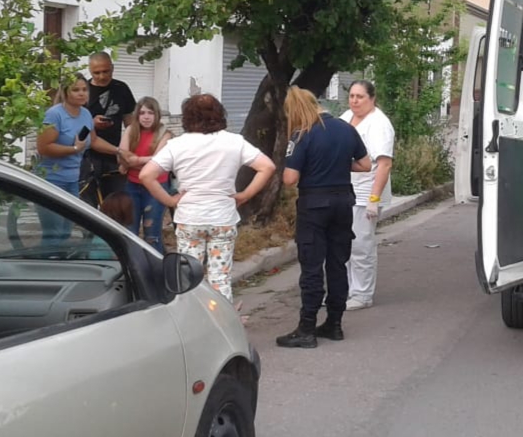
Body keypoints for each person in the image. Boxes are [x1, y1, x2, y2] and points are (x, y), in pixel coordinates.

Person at [140, 94, 275, 303]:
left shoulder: (177, 145)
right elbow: (267, 167)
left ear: (187, 116)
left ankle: (192, 325)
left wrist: (170, 201)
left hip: (189, 218)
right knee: (220, 278)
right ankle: (223, 324)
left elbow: (146, 175)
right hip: (223, 218)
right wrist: (245, 195)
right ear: (219, 114)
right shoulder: (234, 142)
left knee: (189, 279)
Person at [276, 87, 372, 349]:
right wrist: (340, 164)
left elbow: (290, 179)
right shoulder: (346, 128)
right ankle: (334, 323)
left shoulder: (301, 134)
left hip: (314, 205)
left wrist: (308, 166)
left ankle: (306, 327)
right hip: (343, 202)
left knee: (312, 266)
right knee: (338, 263)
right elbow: (366, 165)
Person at [339, 80, 395, 311]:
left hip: (365, 194)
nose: (354, 101)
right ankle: (345, 290)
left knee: (360, 245)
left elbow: (383, 164)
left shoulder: (379, 124)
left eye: (360, 97)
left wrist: (374, 199)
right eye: (352, 96)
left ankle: (362, 294)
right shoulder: (345, 118)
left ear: (372, 98)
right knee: (342, 245)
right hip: (344, 191)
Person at [34, 74, 93, 244]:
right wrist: (74, 149)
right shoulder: (55, 114)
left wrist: (120, 151)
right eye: (76, 90)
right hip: (52, 180)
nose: (81, 94)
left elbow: (93, 140)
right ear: (66, 92)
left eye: (84, 90)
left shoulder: (86, 114)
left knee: (66, 232)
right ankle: (47, 266)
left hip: (72, 180)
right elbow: (44, 147)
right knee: (53, 234)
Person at [80, 52, 137, 208]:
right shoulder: (83, 91)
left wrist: (131, 145)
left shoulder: (121, 88)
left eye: (106, 71)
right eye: (96, 73)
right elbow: (76, 127)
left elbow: (129, 120)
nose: (102, 76)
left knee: (115, 203)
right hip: (89, 156)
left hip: (114, 154)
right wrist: (92, 123)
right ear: (90, 71)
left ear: (112, 68)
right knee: (89, 204)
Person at [119, 96, 173, 252]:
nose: (146, 117)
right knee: (130, 231)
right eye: (142, 113)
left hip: (156, 187)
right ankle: (134, 269)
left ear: (157, 115)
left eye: (150, 113)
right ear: (137, 115)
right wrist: (141, 160)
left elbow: (158, 161)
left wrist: (134, 160)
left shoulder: (165, 134)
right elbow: (122, 154)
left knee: (151, 234)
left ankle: (157, 270)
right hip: (132, 186)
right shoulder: (131, 130)